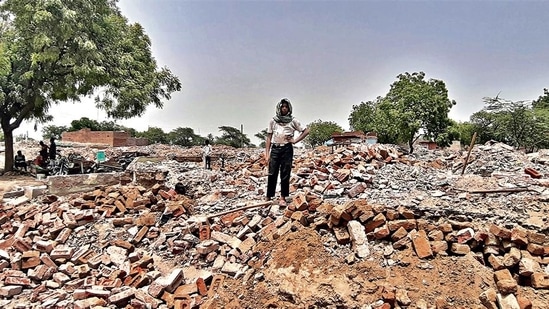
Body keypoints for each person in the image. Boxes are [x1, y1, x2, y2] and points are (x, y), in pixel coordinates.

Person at [265, 98, 309, 206]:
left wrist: (295, 141)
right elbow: (269, 137)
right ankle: (268, 196)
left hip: (287, 149)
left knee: (285, 173)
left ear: (289, 108)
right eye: (282, 106)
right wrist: (267, 153)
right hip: (275, 148)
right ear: (279, 108)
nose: (284, 108)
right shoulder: (273, 121)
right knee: (272, 172)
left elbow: (306, 131)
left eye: (286, 107)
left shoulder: (293, 120)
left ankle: (283, 197)